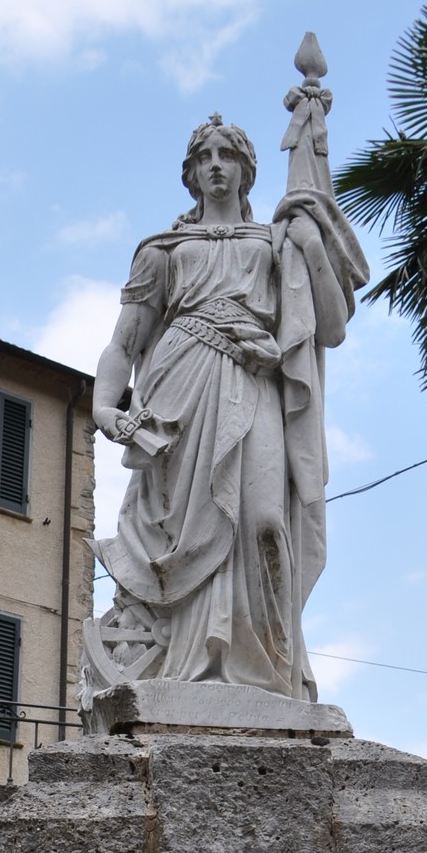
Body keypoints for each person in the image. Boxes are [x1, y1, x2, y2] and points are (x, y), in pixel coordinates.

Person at [82, 54, 367, 705]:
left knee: (264, 519)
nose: (215, 164)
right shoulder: (162, 248)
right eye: (204, 156)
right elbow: (125, 338)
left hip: (252, 382)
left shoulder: (276, 242)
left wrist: (313, 243)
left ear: (246, 168)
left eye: (227, 154)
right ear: (190, 174)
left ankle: (267, 671)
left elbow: (330, 326)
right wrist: (104, 407)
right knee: (179, 535)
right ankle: (183, 670)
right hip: (178, 392)